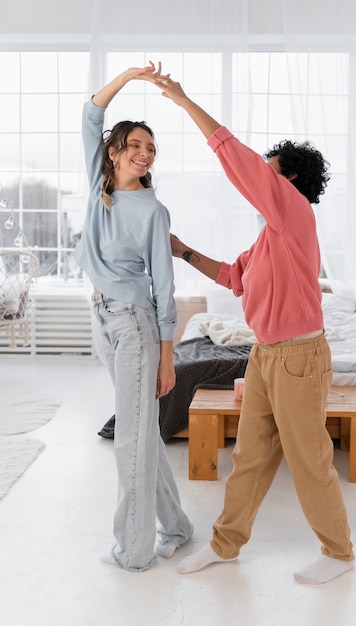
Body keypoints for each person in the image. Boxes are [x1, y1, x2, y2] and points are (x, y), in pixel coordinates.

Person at [150, 67, 355, 584]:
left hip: (299, 355)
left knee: (308, 458)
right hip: (265, 354)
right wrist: (181, 250)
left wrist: (183, 99)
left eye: (270, 172)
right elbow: (232, 277)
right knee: (249, 456)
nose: (261, 178)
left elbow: (235, 159)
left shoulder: (295, 211)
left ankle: (339, 554)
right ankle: (226, 544)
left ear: (287, 183)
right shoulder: (269, 238)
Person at [72, 62, 193, 572]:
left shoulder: (152, 210)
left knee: (131, 439)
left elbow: (165, 291)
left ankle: (135, 551)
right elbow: (88, 114)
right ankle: (178, 527)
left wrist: (168, 358)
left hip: (137, 326)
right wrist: (128, 76)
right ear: (115, 150)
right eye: (137, 146)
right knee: (141, 433)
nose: (145, 156)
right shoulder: (100, 183)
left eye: (151, 150)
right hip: (102, 318)